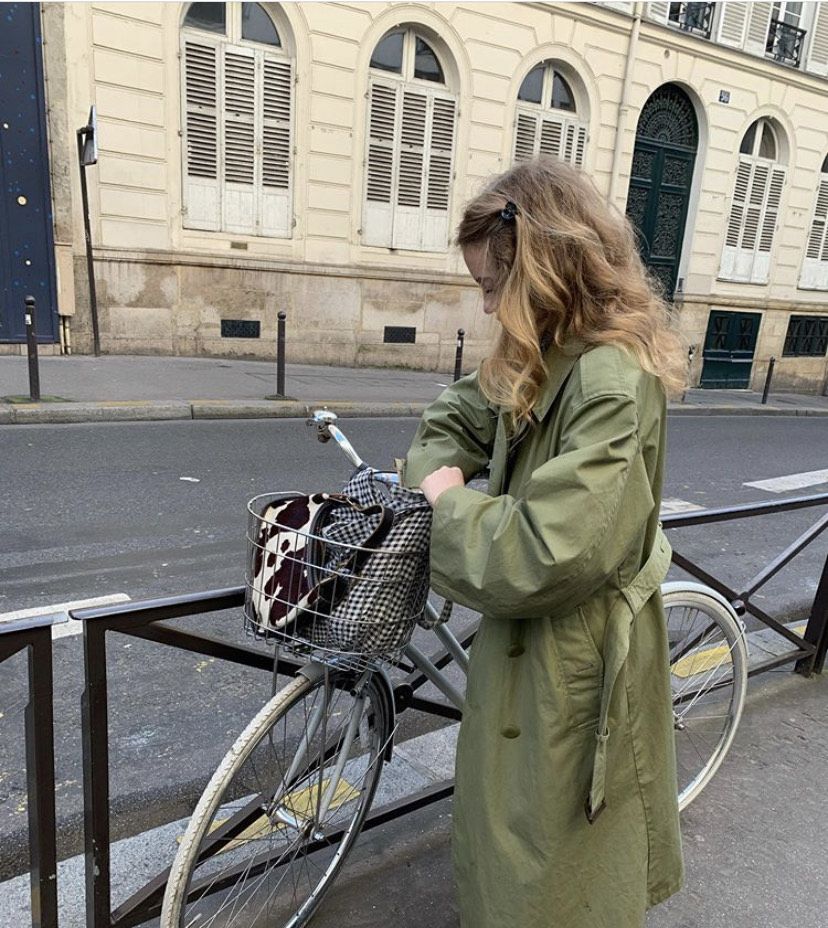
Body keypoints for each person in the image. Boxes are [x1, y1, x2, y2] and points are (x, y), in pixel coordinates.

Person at [402, 155, 686, 928]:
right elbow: (450, 420)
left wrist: (448, 503)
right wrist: (443, 477)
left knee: (558, 864)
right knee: (517, 840)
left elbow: (540, 553)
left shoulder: (609, 379)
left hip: (576, 654)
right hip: (534, 643)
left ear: (543, 270)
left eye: (494, 286)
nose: (489, 307)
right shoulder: (542, 351)